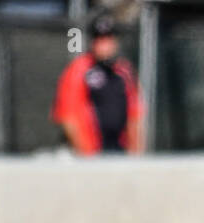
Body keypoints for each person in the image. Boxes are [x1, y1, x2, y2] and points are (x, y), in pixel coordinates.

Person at [51, 15, 142, 154]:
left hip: (120, 150)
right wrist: (87, 155)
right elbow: (68, 116)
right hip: (90, 153)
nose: (104, 45)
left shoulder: (124, 70)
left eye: (108, 39)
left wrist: (136, 153)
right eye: (100, 40)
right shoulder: (79, 69)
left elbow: (135, 114)